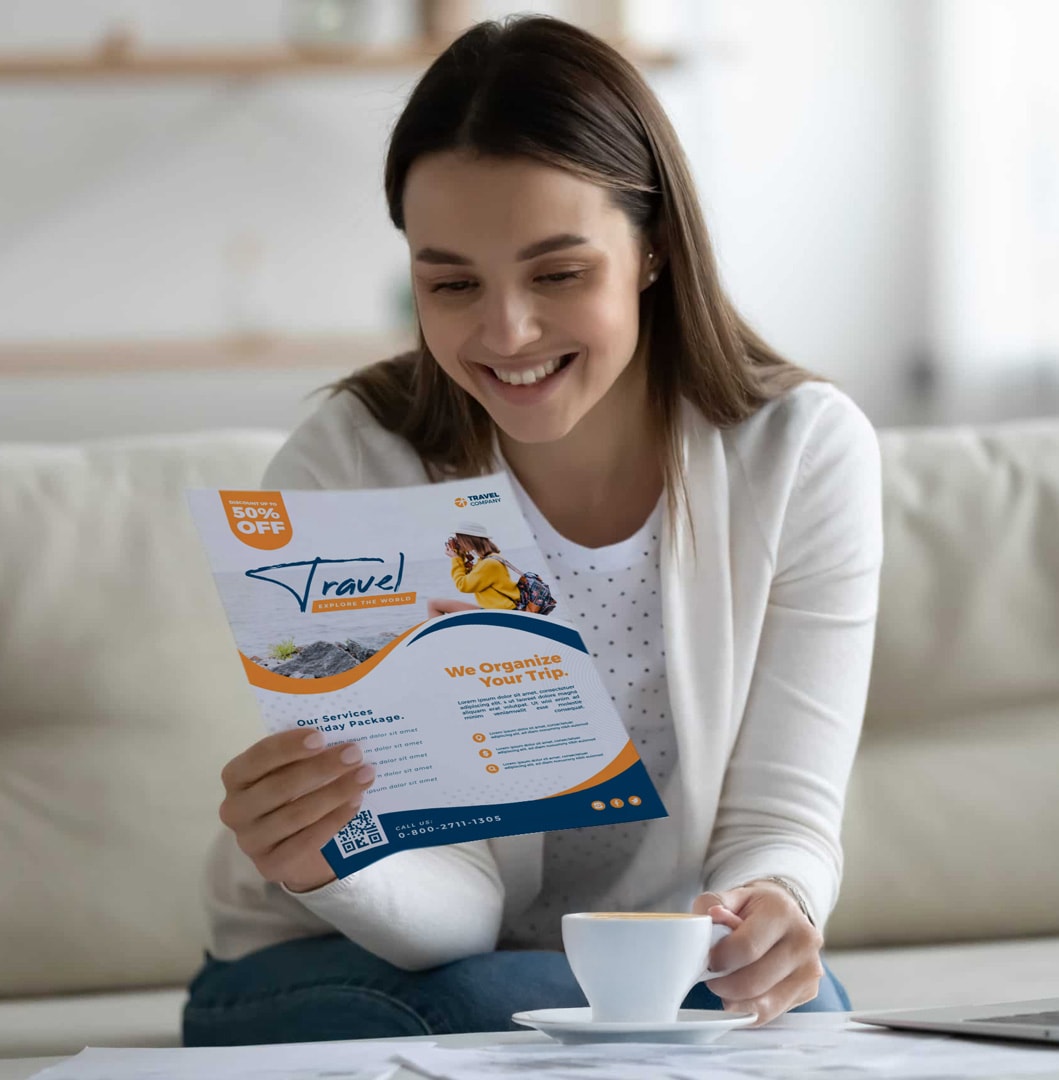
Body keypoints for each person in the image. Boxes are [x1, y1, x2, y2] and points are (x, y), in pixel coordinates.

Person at [184, 14, 882, 1045]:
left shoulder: (801, 455)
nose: (505, 333)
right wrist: (333, 853)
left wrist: (767, 914)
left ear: (650, 250)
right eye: (451, 283)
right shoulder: (353, 466)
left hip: (629, 966)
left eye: (559, 274)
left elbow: (780, 825)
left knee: (804, 1008)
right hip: (335, 961)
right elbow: (455, 918)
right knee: (490, 1005)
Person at [426, 523, 520, 617]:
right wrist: (461, 556)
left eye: (458, 540)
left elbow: (463, 585)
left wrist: (455, 559)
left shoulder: (489, 563)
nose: (457, 543)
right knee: (433, 603)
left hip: (501, 613)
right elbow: (471, 579)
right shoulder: (489, 558)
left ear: (467, 540)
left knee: (433, 604)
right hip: (497, 610)